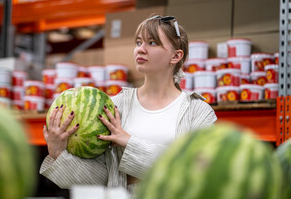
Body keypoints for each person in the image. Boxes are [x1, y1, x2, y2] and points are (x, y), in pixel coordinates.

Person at [40, 15, 217, 196]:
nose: (141, 49)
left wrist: (129, 143)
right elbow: (103, 179)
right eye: (138, 42)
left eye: (152, 43)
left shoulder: (199, 112)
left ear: (176, 56)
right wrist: (60, 156)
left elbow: (196, 173)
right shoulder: (115, 106)